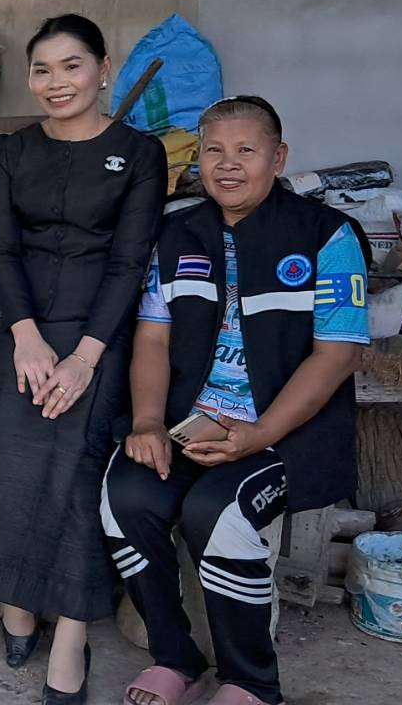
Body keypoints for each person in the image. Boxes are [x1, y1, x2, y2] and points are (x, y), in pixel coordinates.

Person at [106, 96, 369, 705]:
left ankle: (251, 680)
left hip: (286, 433)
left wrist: (259, 434)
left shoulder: (326, 235)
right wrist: (148, 421)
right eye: (214, 151)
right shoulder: (177, 234)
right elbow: (152, 337)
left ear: (278, 158)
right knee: (124, 500)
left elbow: (337, 355)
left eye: (246, 150)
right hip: (188, 421)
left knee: (217, 515)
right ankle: (175, 658)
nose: (228, 164)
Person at [0, 15, 165, 704]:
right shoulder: (12, 151)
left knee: (78, 476)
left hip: (100, 335)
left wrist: (84, 359)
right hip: (24, 329)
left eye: (72, 66)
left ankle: (71, 635)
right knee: (9, 464)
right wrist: (25, 336)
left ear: (104, 69)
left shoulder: (139, 154)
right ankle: (18, 602)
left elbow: (130, 260)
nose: (56, 82)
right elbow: (0, 250)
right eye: (42, 70)